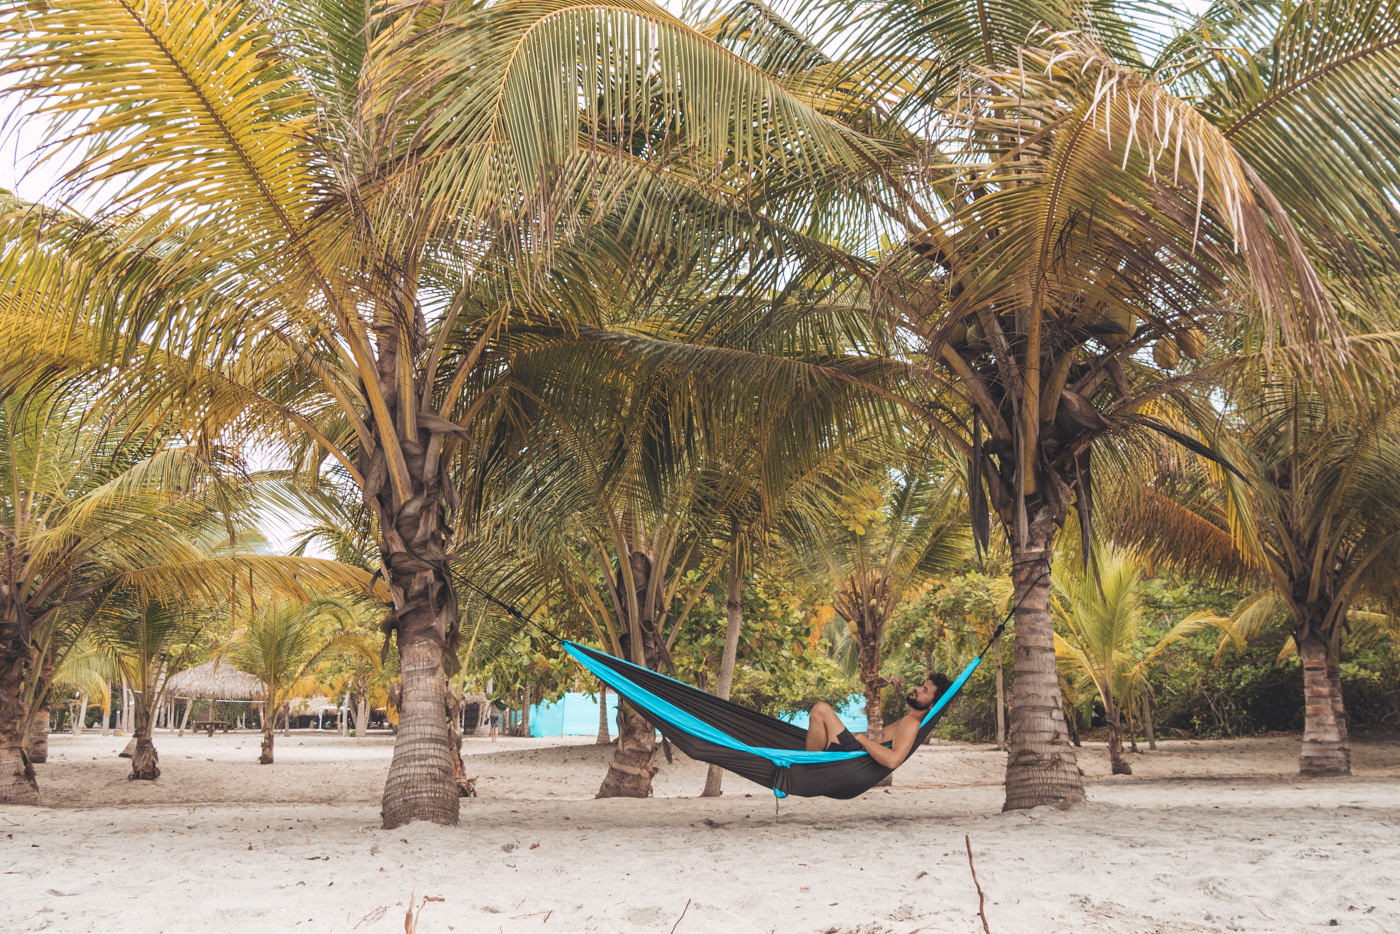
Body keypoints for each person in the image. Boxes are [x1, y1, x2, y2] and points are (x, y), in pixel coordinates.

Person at [804, 673, 953, 769]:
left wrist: (861, 738)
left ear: (933, 705)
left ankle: (809, 769)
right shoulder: (908, 719)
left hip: (855, 758)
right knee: (820, 718)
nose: (917, 689)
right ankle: (811, 766)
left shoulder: (911, 723)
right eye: (922, 686)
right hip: (855, 756)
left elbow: (893, 760)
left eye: (925, 690)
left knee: (821, 709)